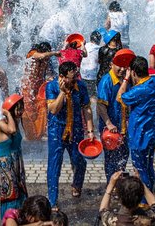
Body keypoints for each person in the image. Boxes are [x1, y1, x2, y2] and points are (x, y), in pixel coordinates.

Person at [44, 61, 93, 206]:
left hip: (76, 129)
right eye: (72, 77)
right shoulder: (51, 86)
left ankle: (77, 184)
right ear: (62, 77)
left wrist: (90, 131)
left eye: (76, 75)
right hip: (56, 130)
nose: (75, 79)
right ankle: (53, 201)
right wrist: (62, 92)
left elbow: (87, 109)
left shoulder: (81, 86)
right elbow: (53, 109)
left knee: (79, 161)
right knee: (54, 165)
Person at [119, 57, 155, 191]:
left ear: (133, 72)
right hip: (153, 133)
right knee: (148, 165)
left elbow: (120, 97)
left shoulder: (138, 91)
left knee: (140, 169)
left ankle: (145, 201)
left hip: (140, 136)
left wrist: (126, 79)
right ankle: (149, 192)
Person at [0, 93, 28, 216]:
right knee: (10, 192)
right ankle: (9, 217)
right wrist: (8, 114)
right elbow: (12, 131)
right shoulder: (1, 123)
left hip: (16, 160)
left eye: (22, 108)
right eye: (18, 108)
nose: (21, 111)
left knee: (20, 189)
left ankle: (20, 215)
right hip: (6, 163)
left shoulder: (16, 121)